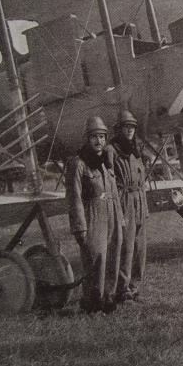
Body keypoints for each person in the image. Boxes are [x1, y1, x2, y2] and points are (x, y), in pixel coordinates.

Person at [66, 116, 124, 314]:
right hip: (93, 216)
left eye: (101, 136)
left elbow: (113, 194)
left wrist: (120, 219)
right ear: (86, 138)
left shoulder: (106, 164)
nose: (98, 141)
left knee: (112, 258)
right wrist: (80, 227)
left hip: (112, 215)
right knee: (95, 260)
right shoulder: (78, 164)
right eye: (94, 137)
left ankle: (109, 299)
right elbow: (74, 198)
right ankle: (92, 303)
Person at [108, 110, 148, 302]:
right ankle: (122, 291)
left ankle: (134, 287)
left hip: (139, 200)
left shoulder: (136, 150)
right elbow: (109, 181)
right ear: (119, 129)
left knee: (140, 249)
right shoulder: (112, 150)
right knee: (126, 248)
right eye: (126, 127)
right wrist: (117, 209)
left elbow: (142, 180)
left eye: (132, 127)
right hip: (124, 201)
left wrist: (145, 207)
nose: (130, 130)